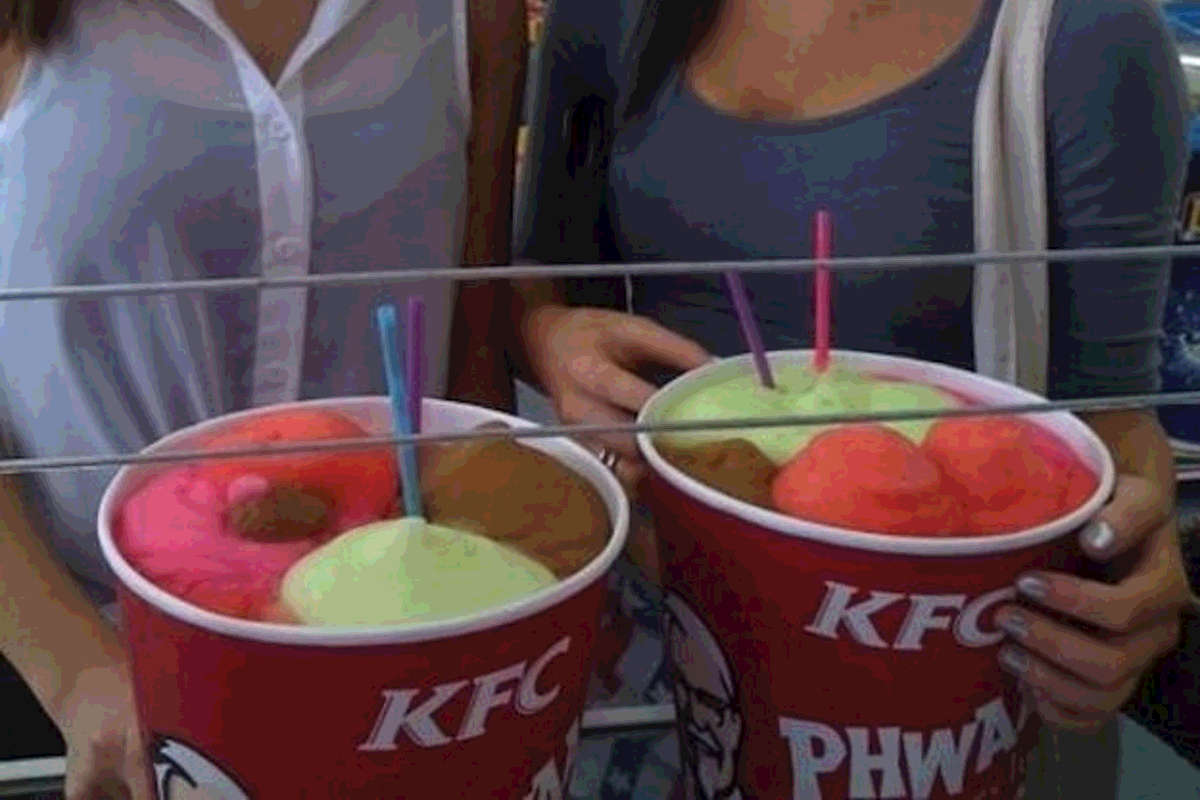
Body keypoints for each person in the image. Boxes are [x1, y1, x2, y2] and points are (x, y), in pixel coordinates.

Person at [514, 0, 1195, 796]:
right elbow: (536, 281)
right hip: (655, 648)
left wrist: (1134, 579)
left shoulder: (1084, 34)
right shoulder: (604, 15)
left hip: (926, 682)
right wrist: (553, 341)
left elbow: (1108, 413)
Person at [0, 1, 526, 797]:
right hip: (74, 671)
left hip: (389, 673)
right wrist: (73, 670)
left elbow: (468, 354)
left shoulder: (473, 15)